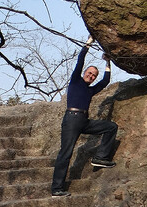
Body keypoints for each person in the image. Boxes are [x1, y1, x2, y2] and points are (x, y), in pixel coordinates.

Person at [51, 35, 118, 197]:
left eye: (94, 75)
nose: (91, 76)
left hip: (84, 121)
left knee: (111, 127)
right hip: (72, 119)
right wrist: (89, 43)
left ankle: (100, 158)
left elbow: (105, 81)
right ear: (84, 73)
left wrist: (107, 62)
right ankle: (57, 189)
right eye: (90, 73)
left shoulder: (90, 89)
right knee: (66, 153)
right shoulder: (76, 81)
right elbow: (80, 61)